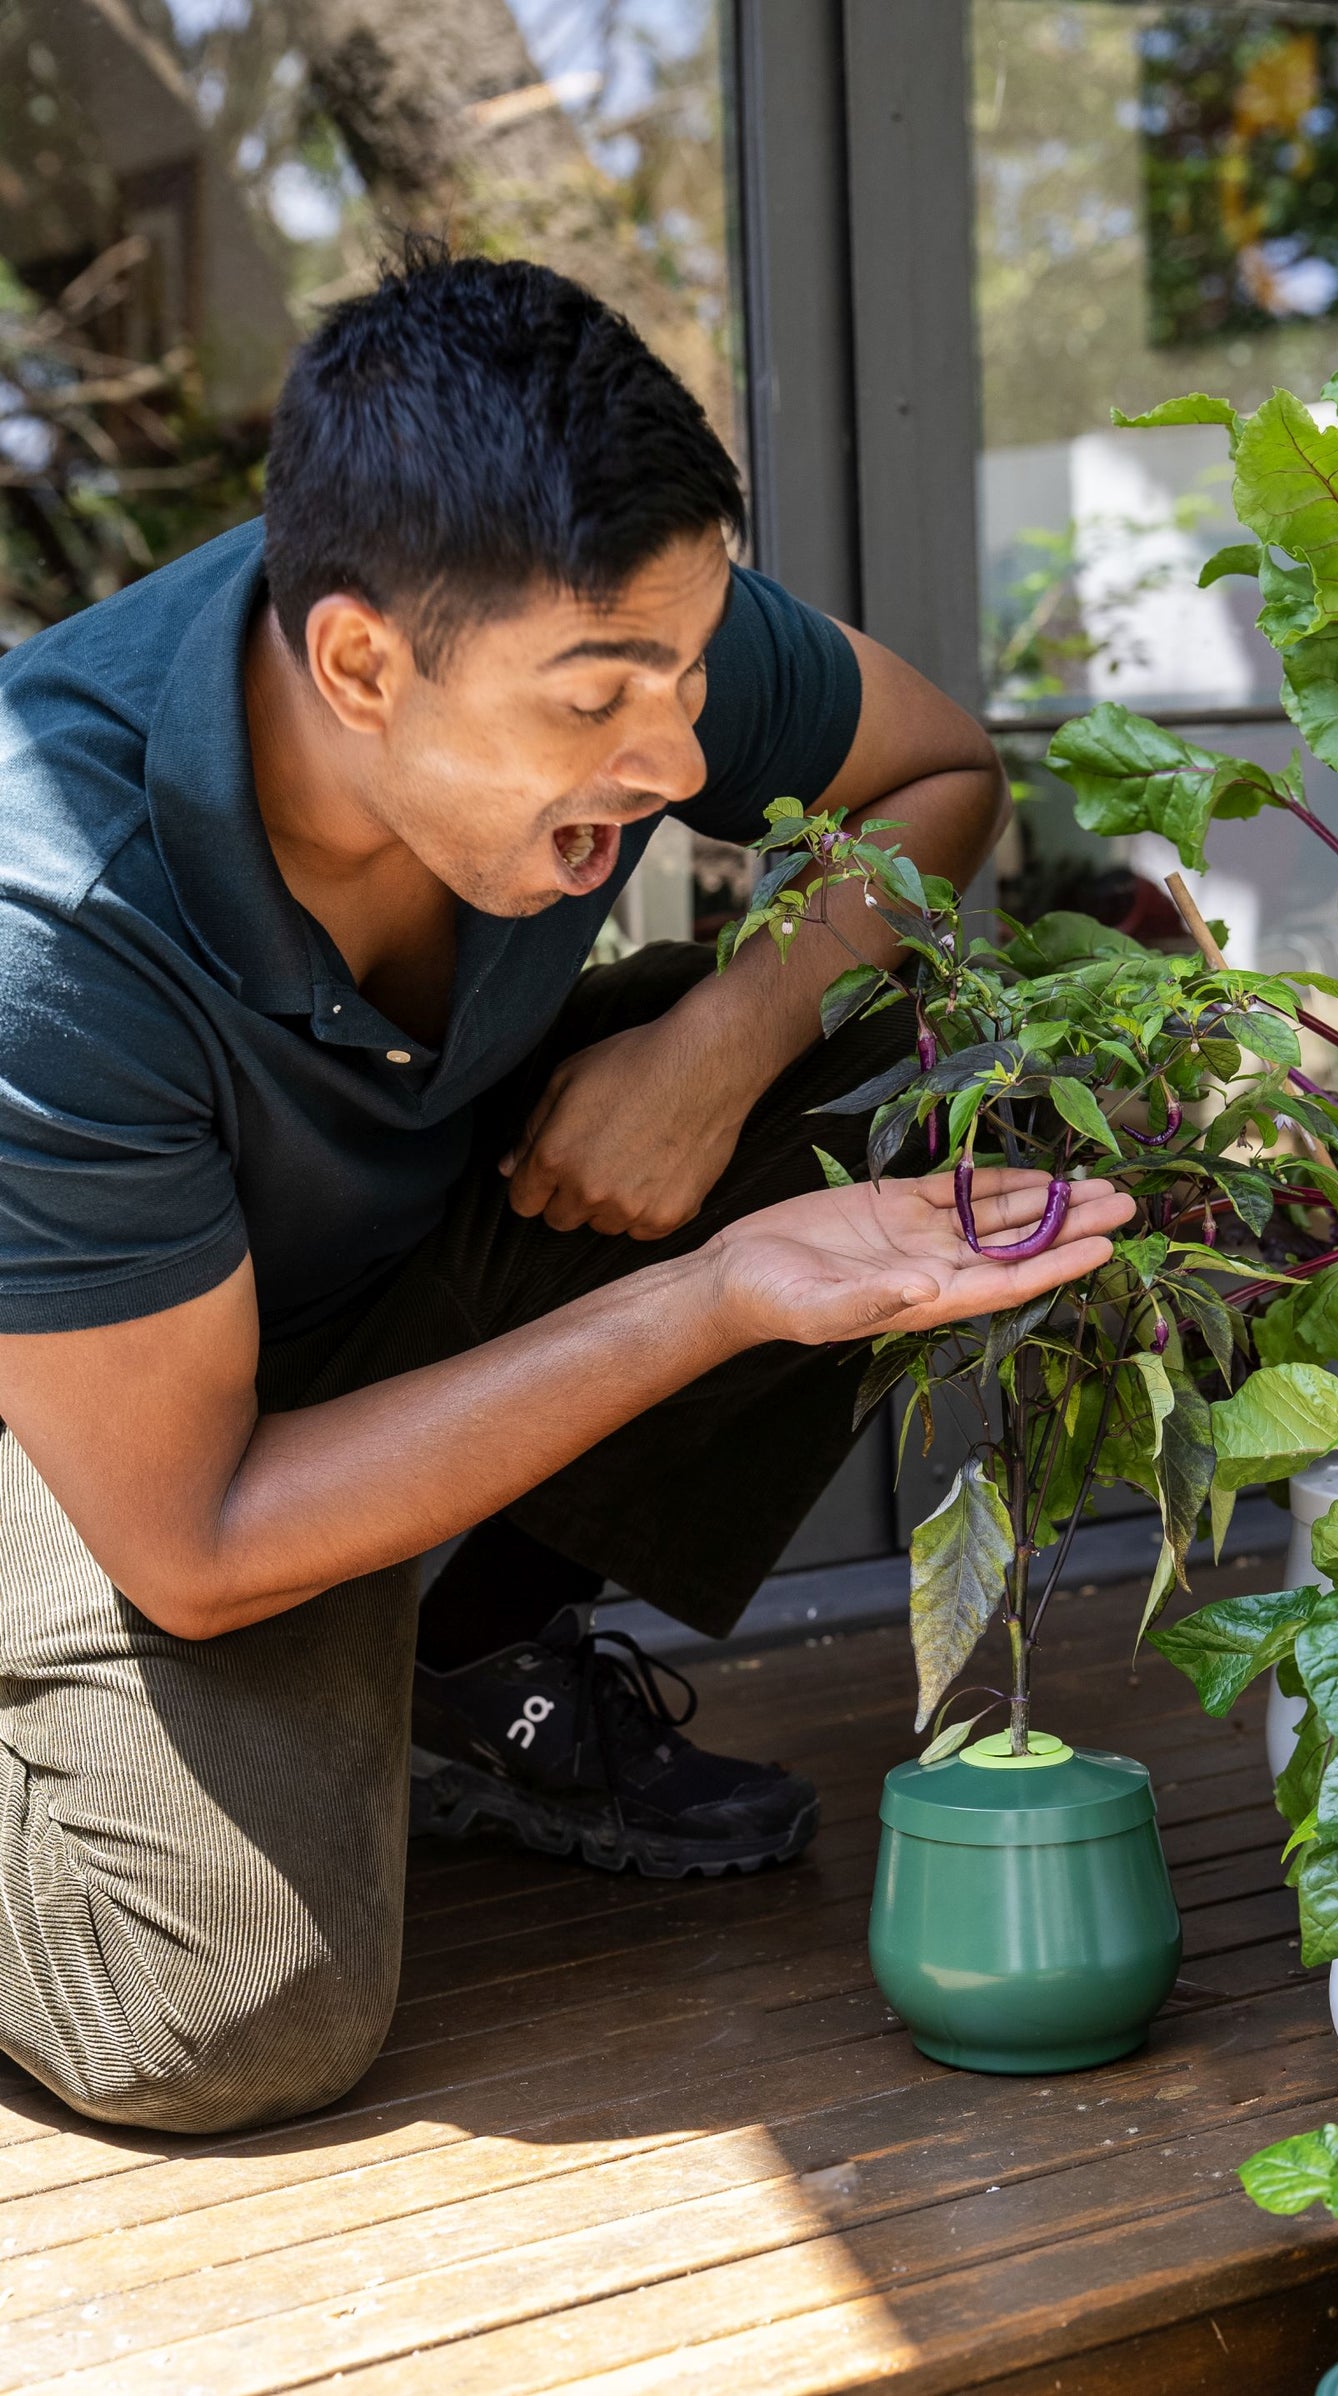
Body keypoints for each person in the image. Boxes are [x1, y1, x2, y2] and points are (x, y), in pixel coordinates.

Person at [0, 249, 1131, 2134]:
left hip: (353, 1284)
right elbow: (194, 1531)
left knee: (988, 1078)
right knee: (220, 2010)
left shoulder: (580, 616)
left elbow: (935, 771)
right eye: (604, 698)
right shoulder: (48, 920)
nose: (680, 758)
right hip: (94, 1407)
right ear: (359, 661)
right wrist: (714, 1291)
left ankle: (459, 1664)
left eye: (690, 676)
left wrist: (733, 1036)